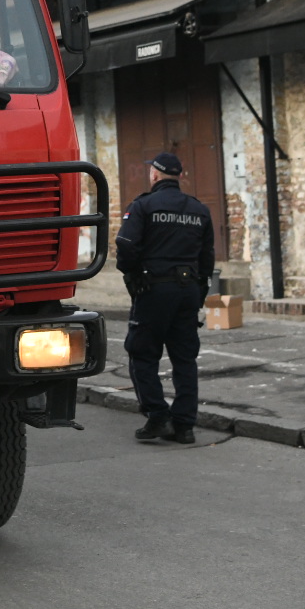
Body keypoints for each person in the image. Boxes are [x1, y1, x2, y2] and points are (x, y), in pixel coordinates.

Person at [115, 152, 215, 445]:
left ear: (155, 175)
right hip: (188, 291)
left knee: (142, 353)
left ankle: (158, 416)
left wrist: (133, 277)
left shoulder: (143, 206)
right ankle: (184, 426)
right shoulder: (199, 210)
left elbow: (125, 246)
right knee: (184, 358)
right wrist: (199, 293)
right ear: (179, 177)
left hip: (154, 290)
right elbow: (207, 257)